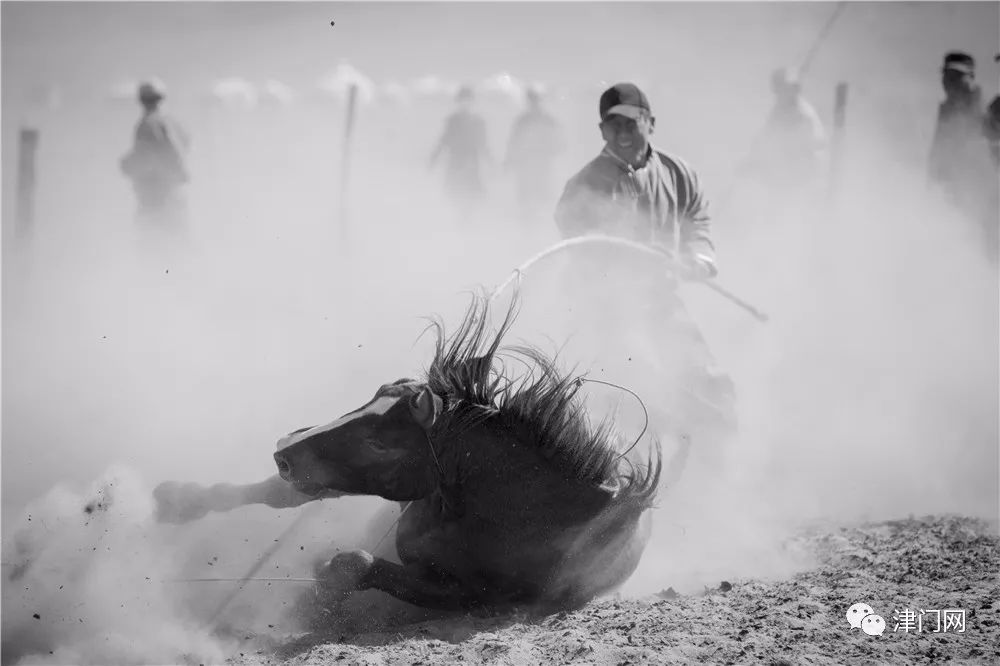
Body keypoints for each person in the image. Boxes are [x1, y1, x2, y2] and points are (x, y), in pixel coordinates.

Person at [553, 82, 736, 444]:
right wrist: (623, 261)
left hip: (662, 302)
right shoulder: (586, 183)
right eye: (613, 125)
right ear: (601, 130)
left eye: (631, 123)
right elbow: (575, 234)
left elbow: (697, 217)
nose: (622, 133)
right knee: (629, 392)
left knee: (707, 380)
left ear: (650, 122)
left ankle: (718, 460)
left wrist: (697, 257)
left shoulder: (678, 173)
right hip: (606, 308)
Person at [928, 52, 997, 263]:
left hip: (981, 197)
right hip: (951, 193)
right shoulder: (947, 111)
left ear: (969, 78)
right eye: (947, 76)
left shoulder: (984, 110)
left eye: (956, 77)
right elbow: (938, 155)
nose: (949, 83)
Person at [743, 67, 827, 196]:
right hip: (785, 177)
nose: (780, 94)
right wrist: (752, 161)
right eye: (778, 90)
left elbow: (812, 146)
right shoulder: (780, 110)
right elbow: (767, 136)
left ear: (794, 90)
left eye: (785, 89)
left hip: (804, 180)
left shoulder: (804, 115)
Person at [119, 80, 190, 221]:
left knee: (154, 235)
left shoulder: (147, 124)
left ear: (141, 100)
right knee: (178, 234)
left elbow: (145, 157)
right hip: (175, 190)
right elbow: (184, 146)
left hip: (157, 194)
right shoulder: (172, 121)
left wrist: (126, 163)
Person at [503, 86, 566, 223]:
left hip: (540, 164)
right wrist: (509, 161)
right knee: (529, 198)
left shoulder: (545, 120)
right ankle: (530, 226)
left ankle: (538, 225)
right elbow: (514, 142)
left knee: (540, 196)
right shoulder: (524, 120)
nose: (533, 104)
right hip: (527, 165)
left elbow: (559, 142)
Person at [428, 85, 492, 217]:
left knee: (470, 197)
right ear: (459, 101)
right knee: (455, 195)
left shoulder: (478, 121)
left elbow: (483, 144)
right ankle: (461, 221)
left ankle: (467, 220)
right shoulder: (453, 121)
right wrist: (433, 158)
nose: (465, 103)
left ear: (472, 101)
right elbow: (444, 140)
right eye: (463, 100)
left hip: (471, 163)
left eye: (468, 100)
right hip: (456, 163)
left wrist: (492, 163)